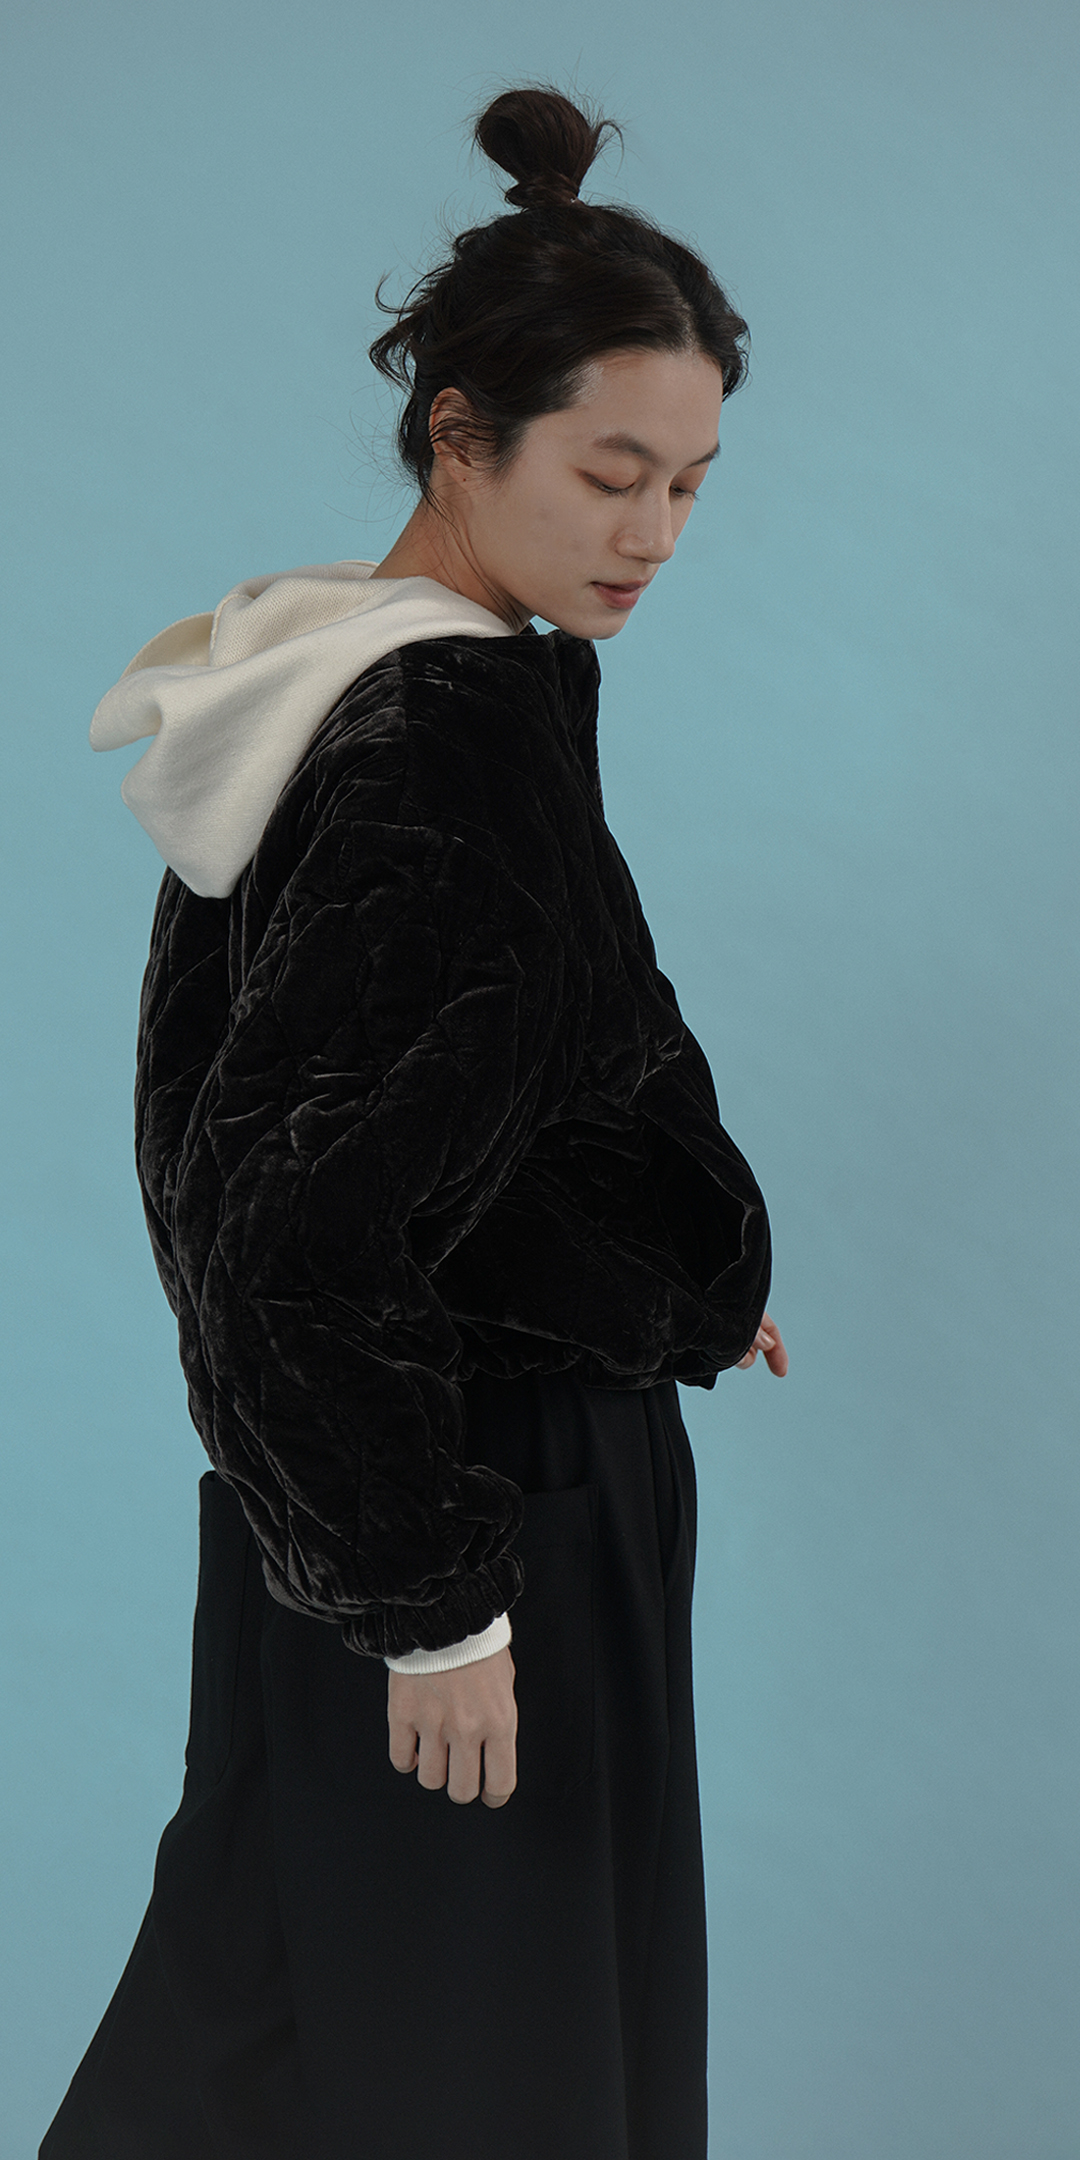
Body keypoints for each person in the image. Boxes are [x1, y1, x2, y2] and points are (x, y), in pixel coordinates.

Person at [40, 78, 787, 2160]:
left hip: (381, 1482)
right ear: (460, 433)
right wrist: (435, 1601)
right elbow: (287, 1223)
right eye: (611, 473)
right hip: (476, 1500)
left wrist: (660, 1268)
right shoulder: (445, 729)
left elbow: (448, 1093)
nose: (654, 533)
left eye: (692, 483)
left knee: (268, 2039)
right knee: (487, 2081)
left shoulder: (338, 679)